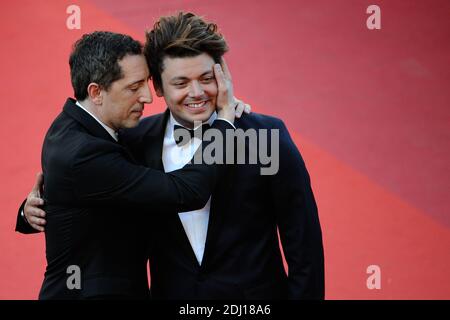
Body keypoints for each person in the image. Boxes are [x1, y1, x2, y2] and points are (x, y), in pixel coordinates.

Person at [19, 12, 324, 299]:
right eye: (180, 83)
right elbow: (86, 186)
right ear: (159, 88)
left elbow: (304, 245)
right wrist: (34, 210)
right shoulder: (133, 142)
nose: (197, 93)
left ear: (223, 76)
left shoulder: (263, 135)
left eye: (206, 79)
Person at [15, 30, 242, 299]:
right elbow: (187, 191)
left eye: (146, 82)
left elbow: (75, 192)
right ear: (96, 92)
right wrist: (225, 122)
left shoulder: (74, 124)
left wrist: (32, 208)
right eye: (134, 88)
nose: (147, 96)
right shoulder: (84, 153)